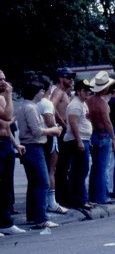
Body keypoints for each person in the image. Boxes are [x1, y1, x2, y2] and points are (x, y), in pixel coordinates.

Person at [16, 80, 63, 230]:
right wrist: (53, 131)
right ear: (36, 93)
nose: (44, 93)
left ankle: (32, 216)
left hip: (28, 146)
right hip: (34, 147)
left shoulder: (25, 107)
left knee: (34, 183)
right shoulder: (30, 108)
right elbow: (36, 131)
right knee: (43, 182)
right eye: (41, 91)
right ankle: (41, 218)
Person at [36, 74, 68, 214]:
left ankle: (45, 202)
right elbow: (50, 121)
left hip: (40, 138)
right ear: (48, 87)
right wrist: (60, 127)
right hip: (49, 137)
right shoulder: (47, 103)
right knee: (51, 171)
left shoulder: (34, 103)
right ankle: (51, 203)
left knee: (42, 173)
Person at [0, 70, 27, 236]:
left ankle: (5, 221)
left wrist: (15, 144)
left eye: (4, 78)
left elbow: (6, 126)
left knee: (6, 185)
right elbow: (8, 116)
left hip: (5, 143)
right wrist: (9, 96)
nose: (3, 82)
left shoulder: (1, 98)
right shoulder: (3, 98)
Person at [87, 72, 115, 205]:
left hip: (93, 134)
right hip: (103, 134)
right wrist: (114, 138)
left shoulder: (89, 101)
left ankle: (93, 194)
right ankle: (103, 196)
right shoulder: (103, 103)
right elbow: (107, 122)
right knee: (104, 167)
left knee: (95, 166)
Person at [64, 78, 94, 209]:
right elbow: (72, 123)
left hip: (84, 138)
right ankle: (80, 200)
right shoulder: (75, 104)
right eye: (85, 91)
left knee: (81, 170)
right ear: (79, 91)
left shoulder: (82, 103)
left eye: (89, 91)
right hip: (77, 139)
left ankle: (81, 198)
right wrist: (79, 141)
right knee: (80, 170)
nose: (88, 93)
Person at [50, 67, 75, 207]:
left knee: (66, 165)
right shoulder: (58, 92)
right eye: (68, 77)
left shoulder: (66, 93)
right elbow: (51, 107)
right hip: (63, 131)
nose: (71, 79)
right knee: (62, 166)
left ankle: (65, 194)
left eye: (72, 77)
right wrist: (62, 123)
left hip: (67, 130)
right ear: (61, 78)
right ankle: (61, 197)